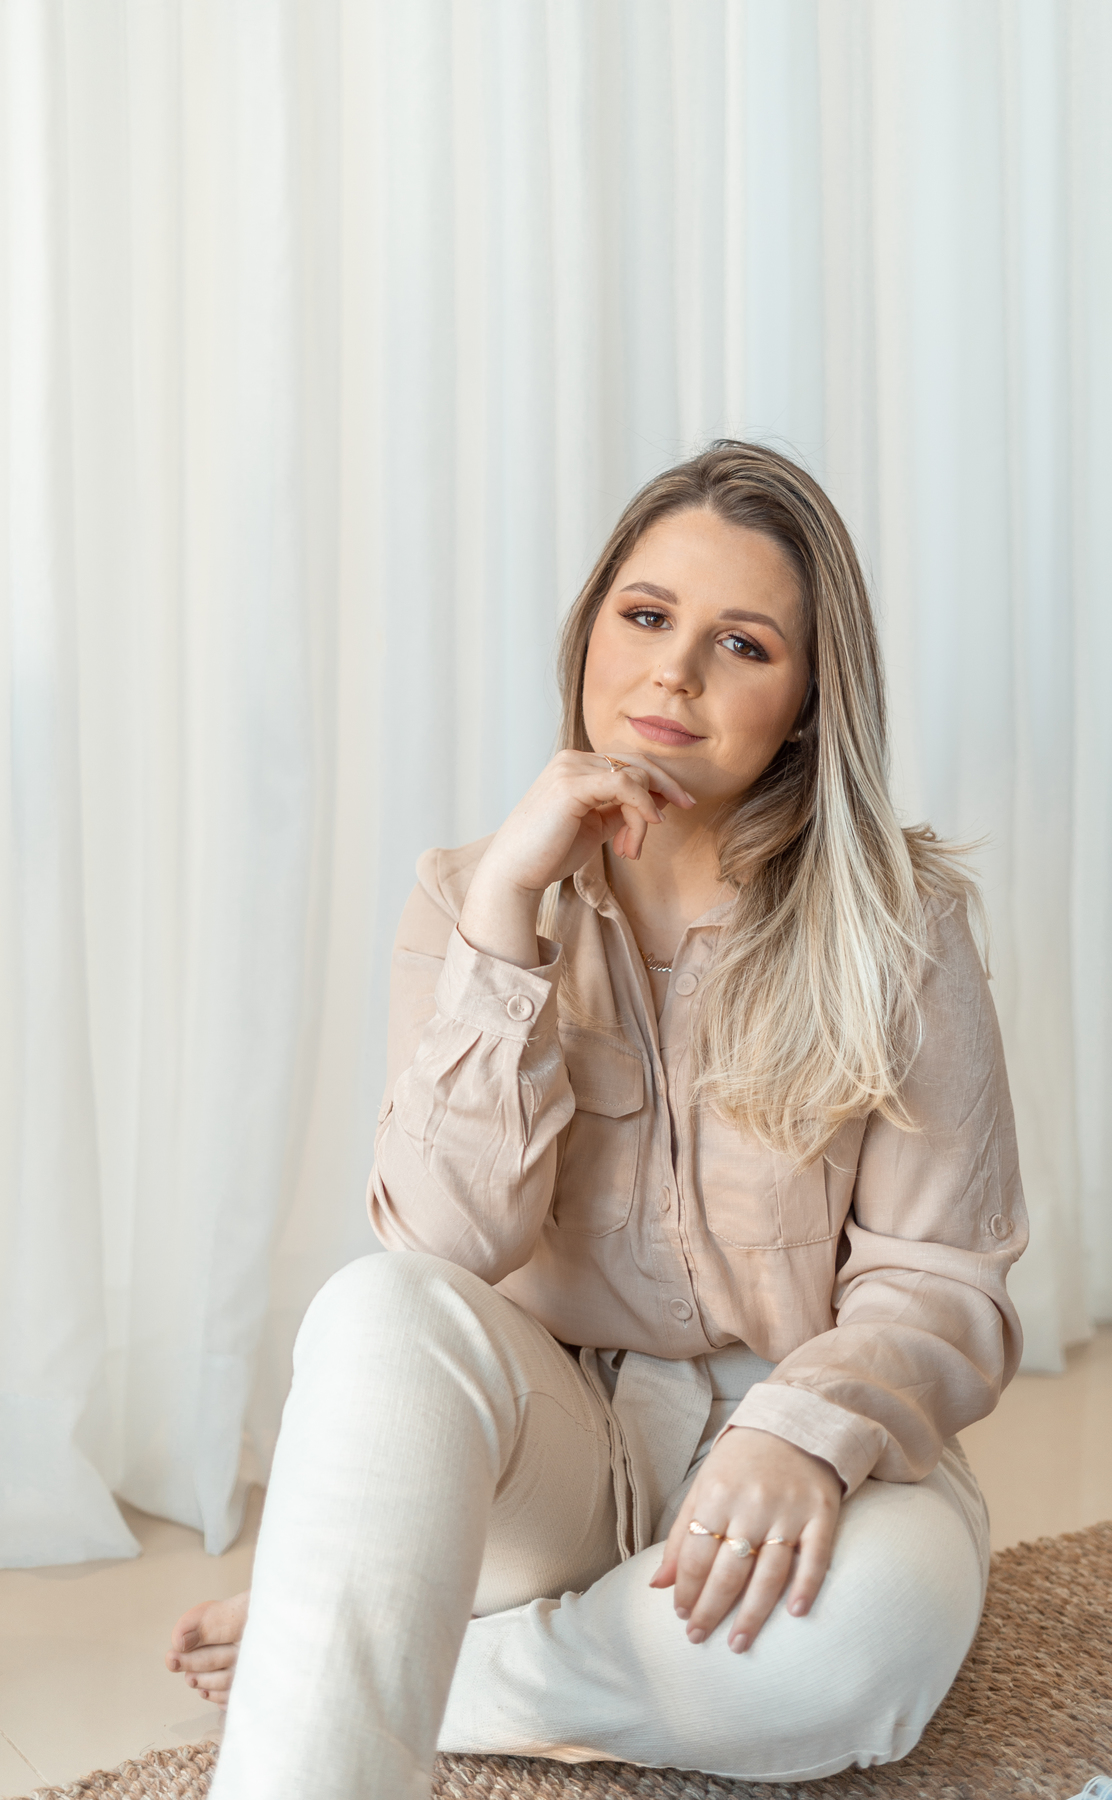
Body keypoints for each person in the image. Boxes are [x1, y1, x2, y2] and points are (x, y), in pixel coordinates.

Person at [167, 442, 1027, 1797]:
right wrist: (509, 919)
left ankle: (372, 1659)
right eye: (647, 616)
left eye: (741, 643)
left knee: (874, 1640)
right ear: (589, 634)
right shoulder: (468, 899)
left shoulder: (901, 928)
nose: (674, 674)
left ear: (809, 703)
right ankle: (389, 1673)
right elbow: (440, 1250)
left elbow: (942, 1280)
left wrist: (798, 1431)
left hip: (805, 1446)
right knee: (373, 1309)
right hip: (553, 1450)